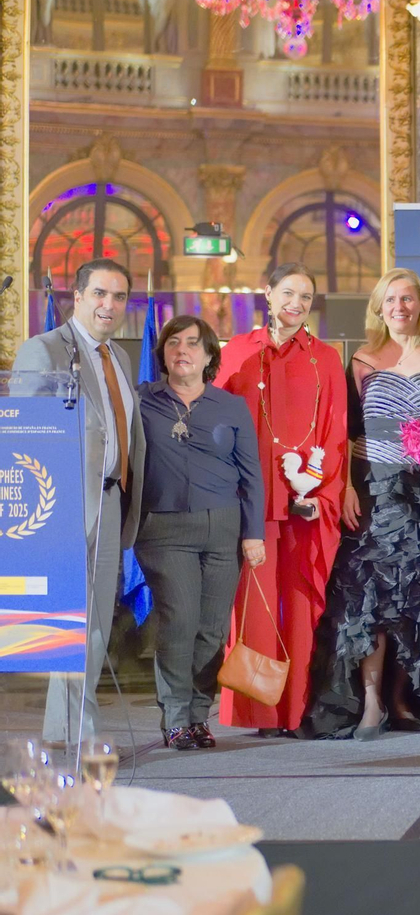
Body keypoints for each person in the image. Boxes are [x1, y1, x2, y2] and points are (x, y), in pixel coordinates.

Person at [304, 269, 420, 740]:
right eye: (391, 299)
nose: (399, 307)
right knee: (368, 598)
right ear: (379, 306)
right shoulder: (362, 360)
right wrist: (346, 485)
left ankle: (400, 698)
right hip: (374, 490)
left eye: (408, 298)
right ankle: (369, 701)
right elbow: (345, 433)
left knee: (414, 601)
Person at [14, 259, 146, 741]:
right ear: (78, 297)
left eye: (118, 297)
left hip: (111, 502)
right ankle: (78, 727)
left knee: (95, 621)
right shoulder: (45, 350)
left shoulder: (121, 358)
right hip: (64, 506)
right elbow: (26, 438)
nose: (109, 305)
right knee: (68, 621)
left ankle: (67, 726)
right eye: (99, 294)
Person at [215, 262, 347, 737]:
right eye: (288, 292)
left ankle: (293, 711)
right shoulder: (236, 351)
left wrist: (322, 488)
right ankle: (258, 711)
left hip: (305, 499)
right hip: (250, 501)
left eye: (306, 297)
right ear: (267, 294)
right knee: (253, 605)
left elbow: (335, 432)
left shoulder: (326, 358)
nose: (296, 304)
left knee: (297, 606)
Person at [134, 316, 264, 749]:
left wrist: (253, 532)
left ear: (209, 355)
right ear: (163, 353)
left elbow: (252, 475)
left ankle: (196, 715)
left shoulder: (231, 406)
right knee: (180, 619)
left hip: (224, 527)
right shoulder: (141, 400)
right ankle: (174, 716)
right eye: (174, 342)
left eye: (193, 343)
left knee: (211, 629)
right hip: (164, 528)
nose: (182, 350)